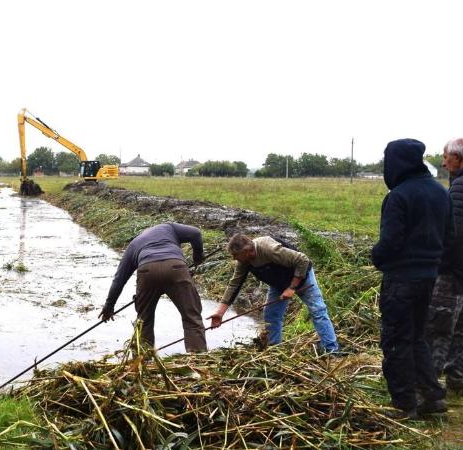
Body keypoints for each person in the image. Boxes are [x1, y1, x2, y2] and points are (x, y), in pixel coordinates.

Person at [371, 138, 453, 418]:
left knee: (396, 340)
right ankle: (432, 396)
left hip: (400, 280)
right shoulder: (441, 192)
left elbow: (390, 242)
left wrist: (376, 257)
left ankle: (405, 405)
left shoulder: (399, 196)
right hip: (428, 278)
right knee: (418, 337)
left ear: (396, 162)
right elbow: (449, 237)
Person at [207, 234, 340, 353]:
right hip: (278, 283)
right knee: (271, 316)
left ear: (247, 251)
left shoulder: (269, 249)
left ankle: (331, 349)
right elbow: (234, 284)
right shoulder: (244, 262)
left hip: (302, 277)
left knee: (317, 310)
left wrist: (292, 287)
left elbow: (303, 260)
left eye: (235, 255)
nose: (234, 258)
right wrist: (220, 313)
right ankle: (274, 350)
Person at [98, 223, 206, 352]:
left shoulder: (133, 245)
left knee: (144, 320)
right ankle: (198, 360)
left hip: (147, 272)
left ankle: (143, 361)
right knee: (192, 317)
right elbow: (195, 233)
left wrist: (109, 306)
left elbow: (119, 280)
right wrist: (198, 258)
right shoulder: (168, 227)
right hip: (176, 268)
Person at [427, 137, 463, 393]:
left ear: (458, 159)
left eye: (446, 156)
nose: (443, 161)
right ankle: (457, 381)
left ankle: (428, 389)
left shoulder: (459, 188)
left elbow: (454, 235)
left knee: (439, 327)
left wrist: (440, 266)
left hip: (453, 273)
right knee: (460, 330)